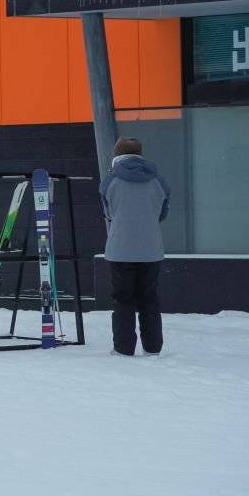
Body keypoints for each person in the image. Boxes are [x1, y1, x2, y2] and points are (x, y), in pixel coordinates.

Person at [100, 136, 169, 357]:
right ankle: (153, 347)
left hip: (120, 250)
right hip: (150, 249)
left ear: (117, 155)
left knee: (123, 299)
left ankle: (123, 347)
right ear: (140, 153)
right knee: (149, 298)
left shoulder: (109, 180)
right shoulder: (158, 179)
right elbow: (163, 213)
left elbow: (108, 213)